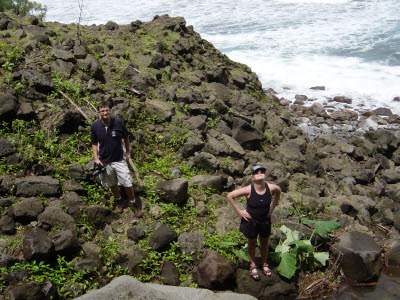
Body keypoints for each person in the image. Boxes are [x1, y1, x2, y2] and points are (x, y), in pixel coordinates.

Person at [227, 165, 280, 281]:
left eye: (262, 171)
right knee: (251, 243)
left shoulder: (271, 188)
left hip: (265, 220)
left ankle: (264, 263)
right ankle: (252, 264)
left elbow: (278, 192)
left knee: (264, 242)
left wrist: (271, 210)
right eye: (257, 172)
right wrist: (240, 211)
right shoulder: (248, 189)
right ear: (253, 177)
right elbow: (230, 196)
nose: (260, 173)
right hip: (251, 221)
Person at [90, 101, 142, 217]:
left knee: (127, 182)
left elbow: (126, 138)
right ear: (98, 112)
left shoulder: (118, 123)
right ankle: (119, 201)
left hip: (119, 159)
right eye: (102, 111)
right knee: (112, 183)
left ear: (110, 110)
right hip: (104, 160)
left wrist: (127, 152)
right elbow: (94, 143)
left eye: (107, 110)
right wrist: (96, 158)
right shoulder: (95, 126)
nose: (105, 112)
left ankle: (133, 203)